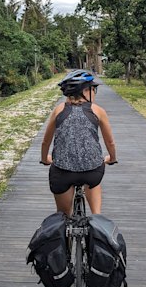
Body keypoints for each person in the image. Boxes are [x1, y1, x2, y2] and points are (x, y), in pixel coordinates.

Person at [40, 70, 117, 216]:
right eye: (93, 89)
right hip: (92, 171)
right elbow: (110, 142)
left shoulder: (58, 110)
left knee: (62, 216)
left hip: (62, 172)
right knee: (96, 215)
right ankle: (96, 219)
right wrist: (111, 158)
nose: (94, 93)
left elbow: (45, 142)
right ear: (85, 91)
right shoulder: (98, 111)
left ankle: (64, 230)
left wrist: (45, 159)